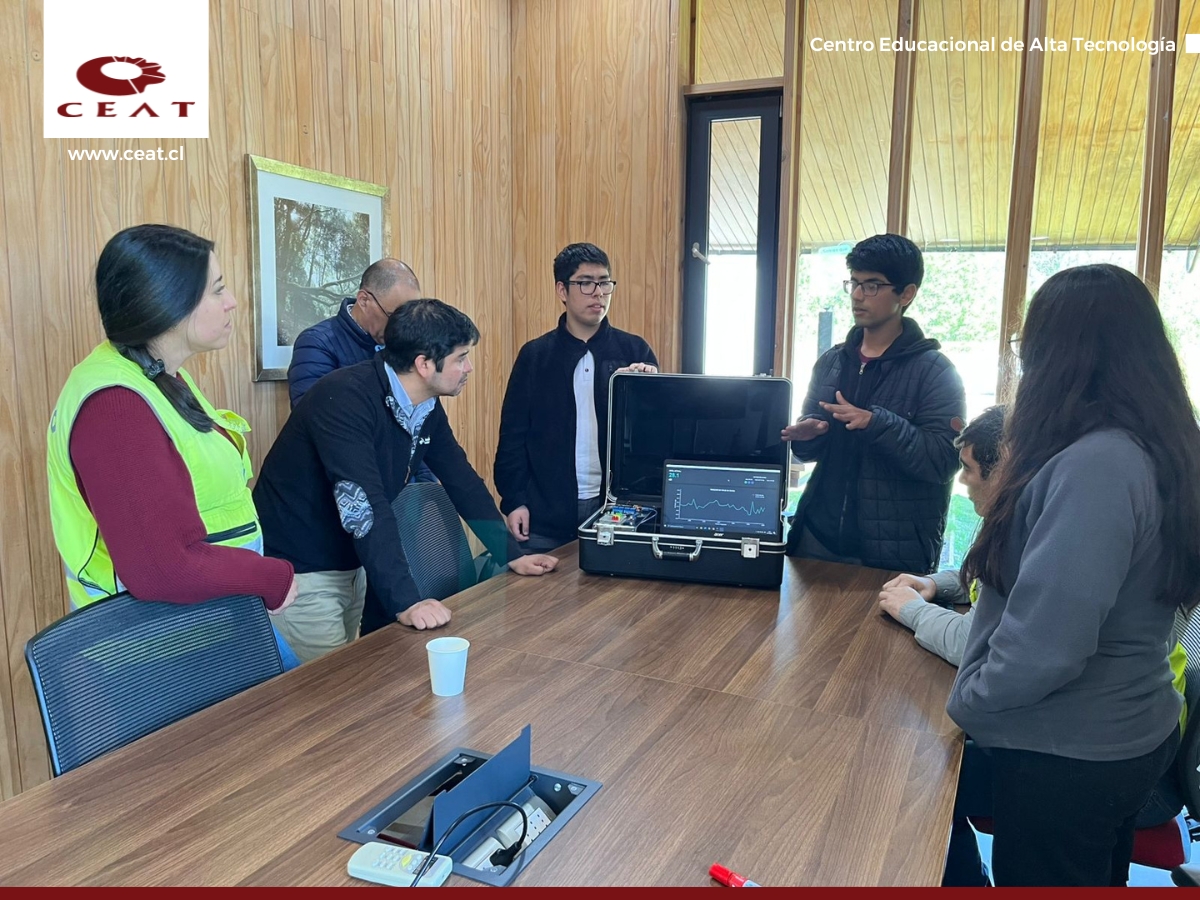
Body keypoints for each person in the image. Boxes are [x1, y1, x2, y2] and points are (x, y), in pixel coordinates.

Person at [946, 264, 1200, 886]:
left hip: (1069, 753)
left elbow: (1047, 647)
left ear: (1057, 356)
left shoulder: (1099, 465)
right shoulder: (1157, 450)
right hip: (1127, 734)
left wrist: (971, 700)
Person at [46, 224, 299, 666]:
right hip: (160, 653)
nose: (231, 302)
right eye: (217, 290)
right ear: (166, 303)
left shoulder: (161, 378)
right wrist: (270, 577)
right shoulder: (114, 406)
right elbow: (161, 568)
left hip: (209, 625)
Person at [254, 298, 559, 663]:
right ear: (424, 364)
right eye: (461, 358)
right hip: (302, 570)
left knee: (359, 672)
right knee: (332, 685)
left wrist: (511, 555)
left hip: (353, 562)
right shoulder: (344, 399)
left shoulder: (424, 403)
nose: (468, 367)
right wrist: (407, 601)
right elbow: (365, 507)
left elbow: (461, 480)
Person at [781, 233, 966, 574]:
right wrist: (809, 434)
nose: (856, 295)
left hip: (892, 554)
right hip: (815, 539)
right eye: (854, 282)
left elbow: (944, 460)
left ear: (906, 294)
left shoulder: (936, 371)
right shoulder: (832, 361)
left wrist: (876, 423)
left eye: (872, 285)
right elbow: (808, 450)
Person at [495, 242, 659, 553]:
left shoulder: (634, 351)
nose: (598, 293)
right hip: (544, 514)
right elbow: (513, 435)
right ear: (562, 290)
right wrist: (514, 500)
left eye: (605, 283)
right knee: (539, 585)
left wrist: (647, 389)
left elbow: (654, 437)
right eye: (586, 283)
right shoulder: (535, 356)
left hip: (617, 511)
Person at [877, 405, 1004, 663]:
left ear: (1000, 474)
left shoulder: (1016, 539)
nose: (962, 480)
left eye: (967, 468)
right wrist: (932, 584)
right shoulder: (1013, 519)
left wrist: (913, 610)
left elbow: (969, 644)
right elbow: (980, 581)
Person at [286, 257, 421, 407]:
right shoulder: (316, 343)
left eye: (409, 320)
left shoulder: (404, 344)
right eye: (394, 317)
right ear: (364, 300)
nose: (400, 327)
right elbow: (313, 413)